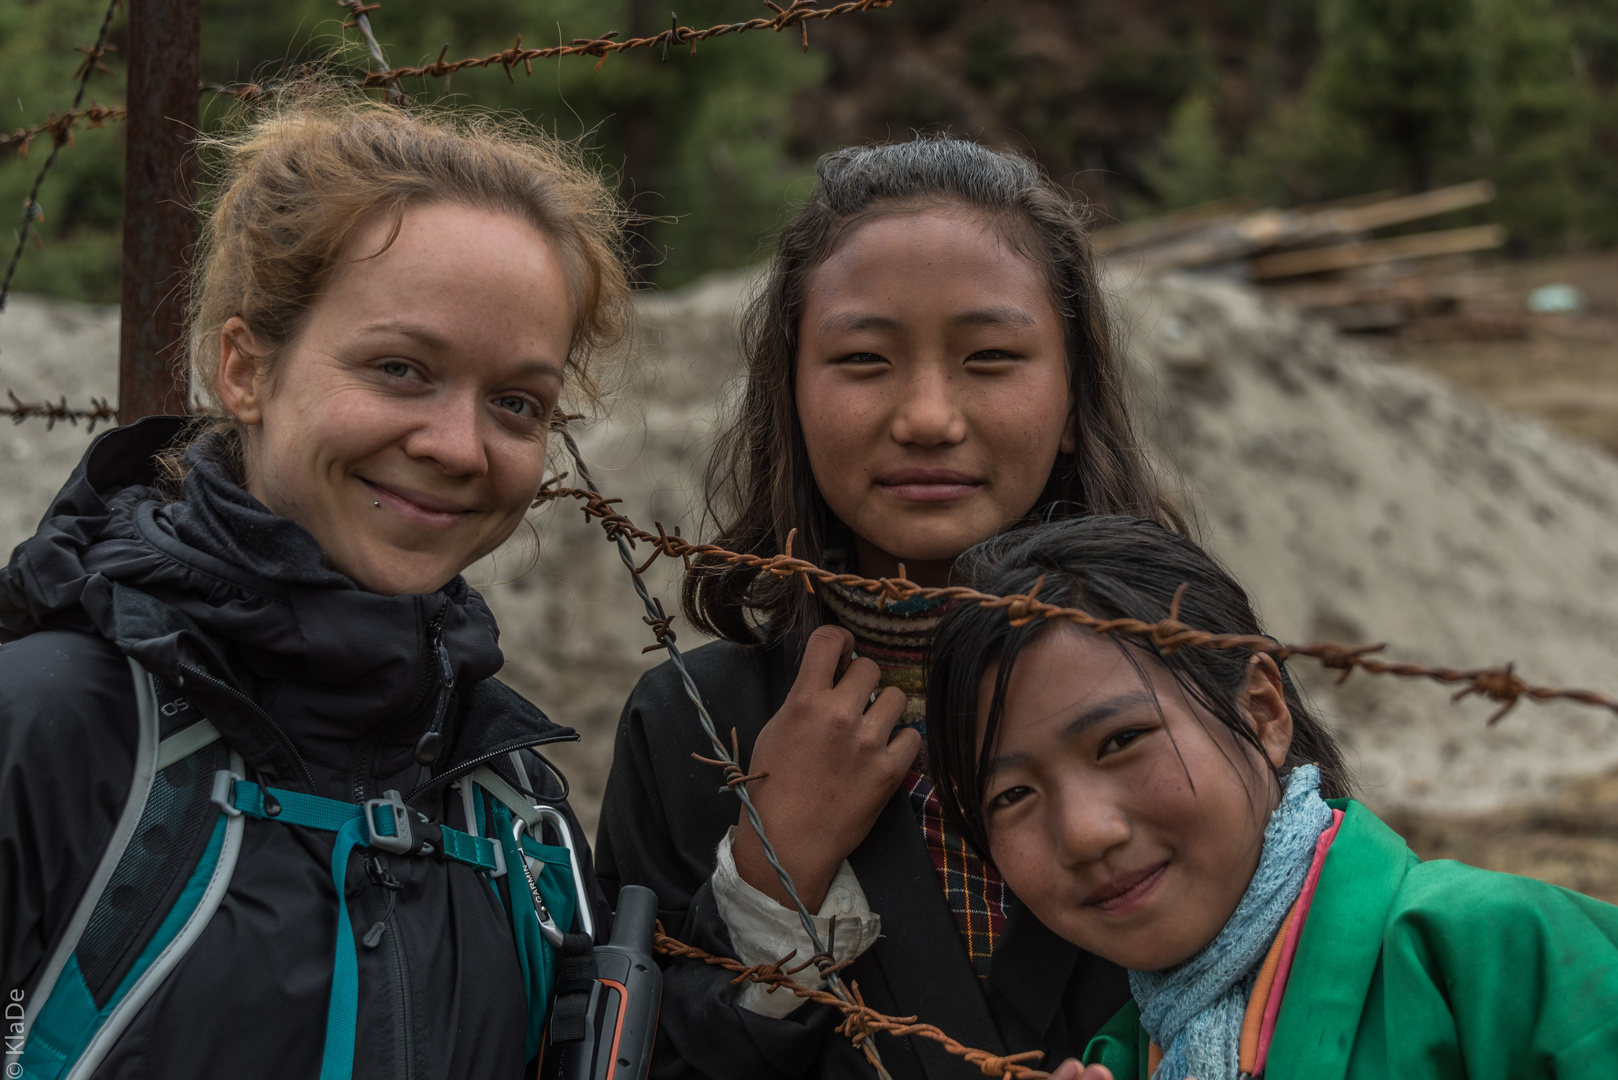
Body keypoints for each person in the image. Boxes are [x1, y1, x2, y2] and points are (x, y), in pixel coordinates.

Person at [0, 89, 630, 1080]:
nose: (459, 446)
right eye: (400, 368)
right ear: (245, 370)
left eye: (517, 402)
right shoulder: (51, 734)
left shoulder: (514, 814)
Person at [596, 136, 1184, 1078]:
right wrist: (769, 872)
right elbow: (628, 1051)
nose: (926, 417)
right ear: (790, 394)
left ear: (1073, 397)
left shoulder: (1189, 680)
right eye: (864, 359)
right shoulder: (693, 729)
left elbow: (1302, 974)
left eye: (990, 356)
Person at [924, 515, 1618, 1080]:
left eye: (1120, 741)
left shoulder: (1497, 951)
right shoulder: (1122, 1061)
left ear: (1261, 709)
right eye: (1013, 793)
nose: (1083, 832)